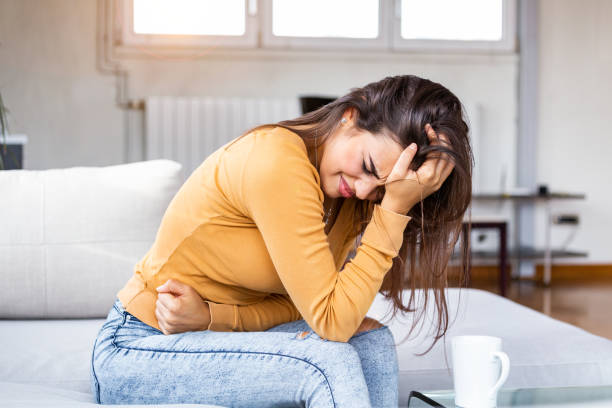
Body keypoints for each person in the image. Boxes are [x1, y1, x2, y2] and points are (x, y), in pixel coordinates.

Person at [90, 74, 472, 407]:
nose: (363, 190)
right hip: (141, 345)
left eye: (383, 191)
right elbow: (331, 322)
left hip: (201, 332)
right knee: (327, 362)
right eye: (368, 168)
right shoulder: (277, 161)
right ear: (349, 117)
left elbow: (305, 308)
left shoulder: (345, 196)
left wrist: (213, 318)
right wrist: (394, 210)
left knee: (372, 343)